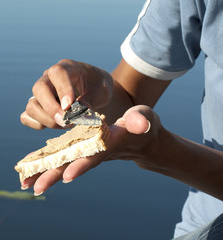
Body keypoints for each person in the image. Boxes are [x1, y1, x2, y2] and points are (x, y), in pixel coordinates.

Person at [19, 0, 223, 239]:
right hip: (202, 223)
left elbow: (143, 137)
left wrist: (158, 150)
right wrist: (98, 94)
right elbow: (127, 105)